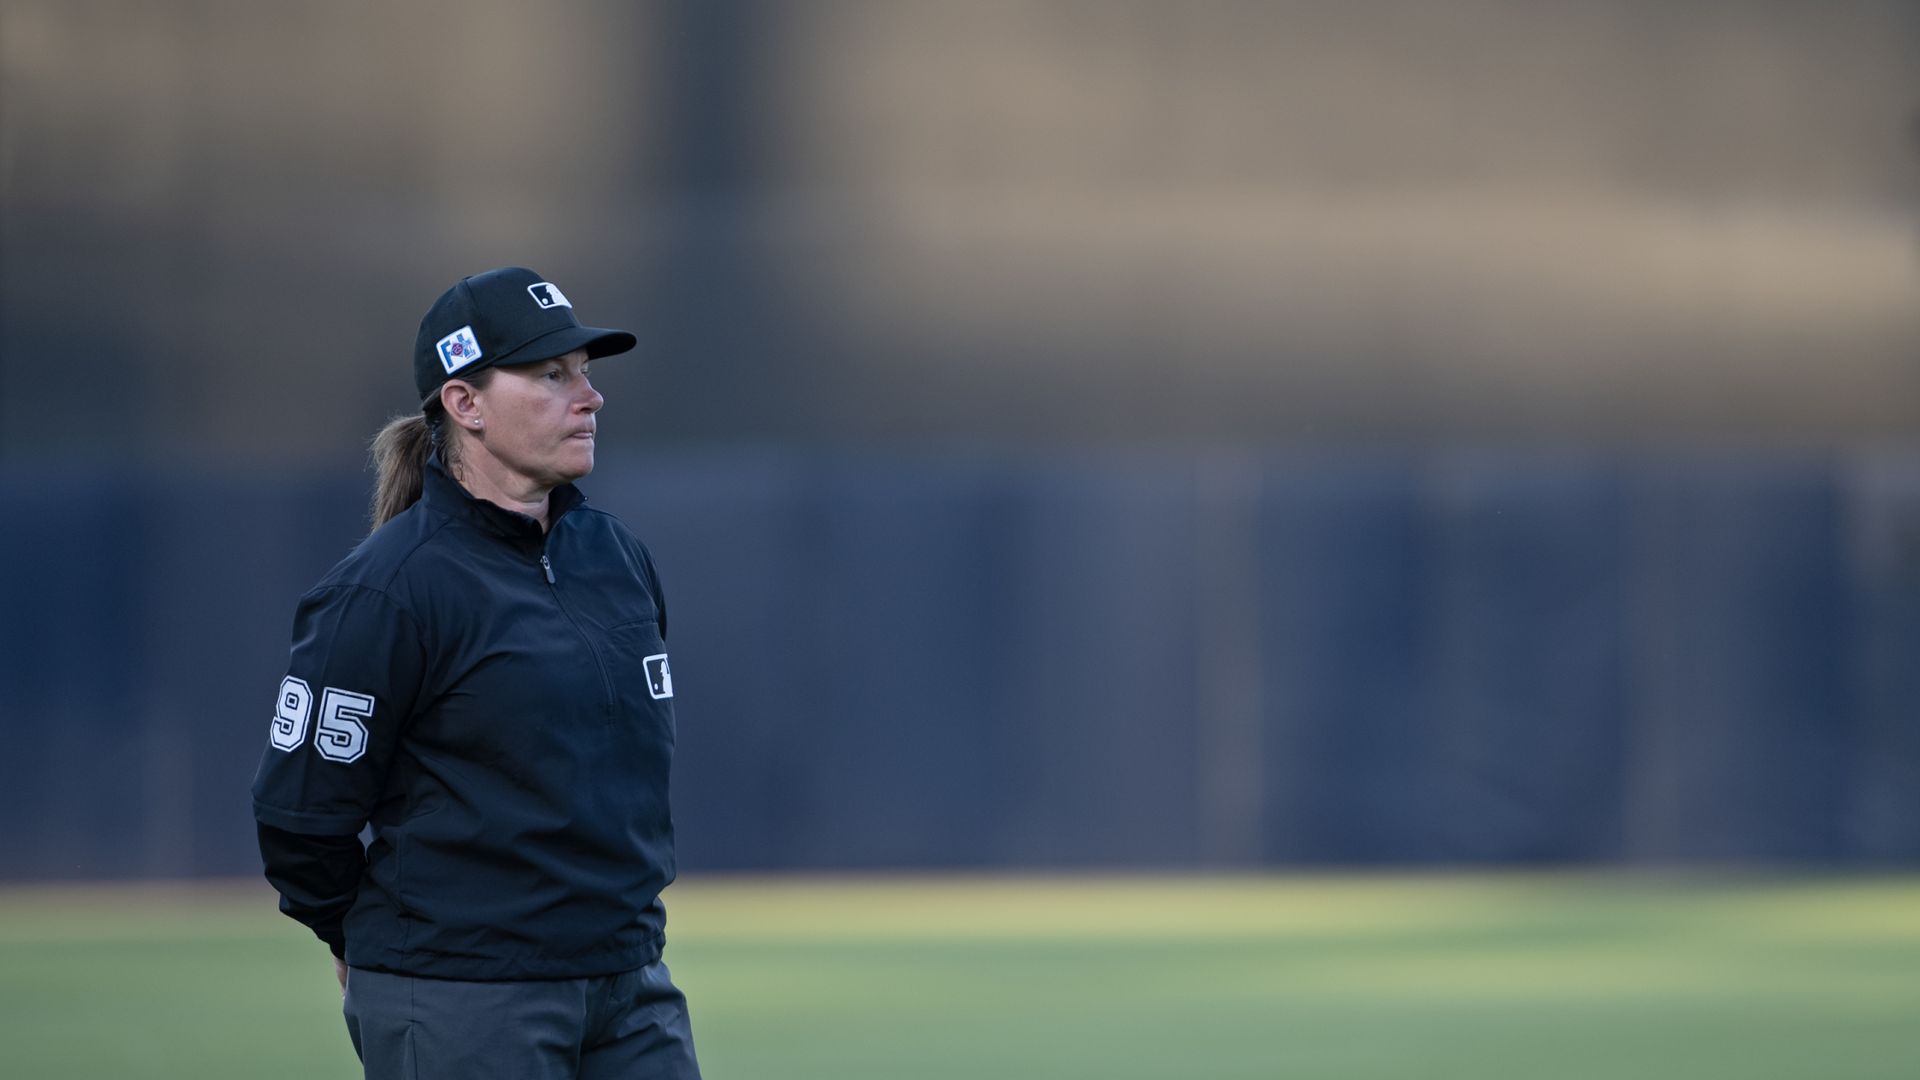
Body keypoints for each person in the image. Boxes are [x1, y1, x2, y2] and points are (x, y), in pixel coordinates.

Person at [250, 267, 700, 1080]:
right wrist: (364, 936)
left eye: (586, 372)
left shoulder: (615, 558)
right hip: (466, 993)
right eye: (550, 374)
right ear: (465, 405)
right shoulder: (390, 588)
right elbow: (299, 812)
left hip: (629, 983)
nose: (588, 397)